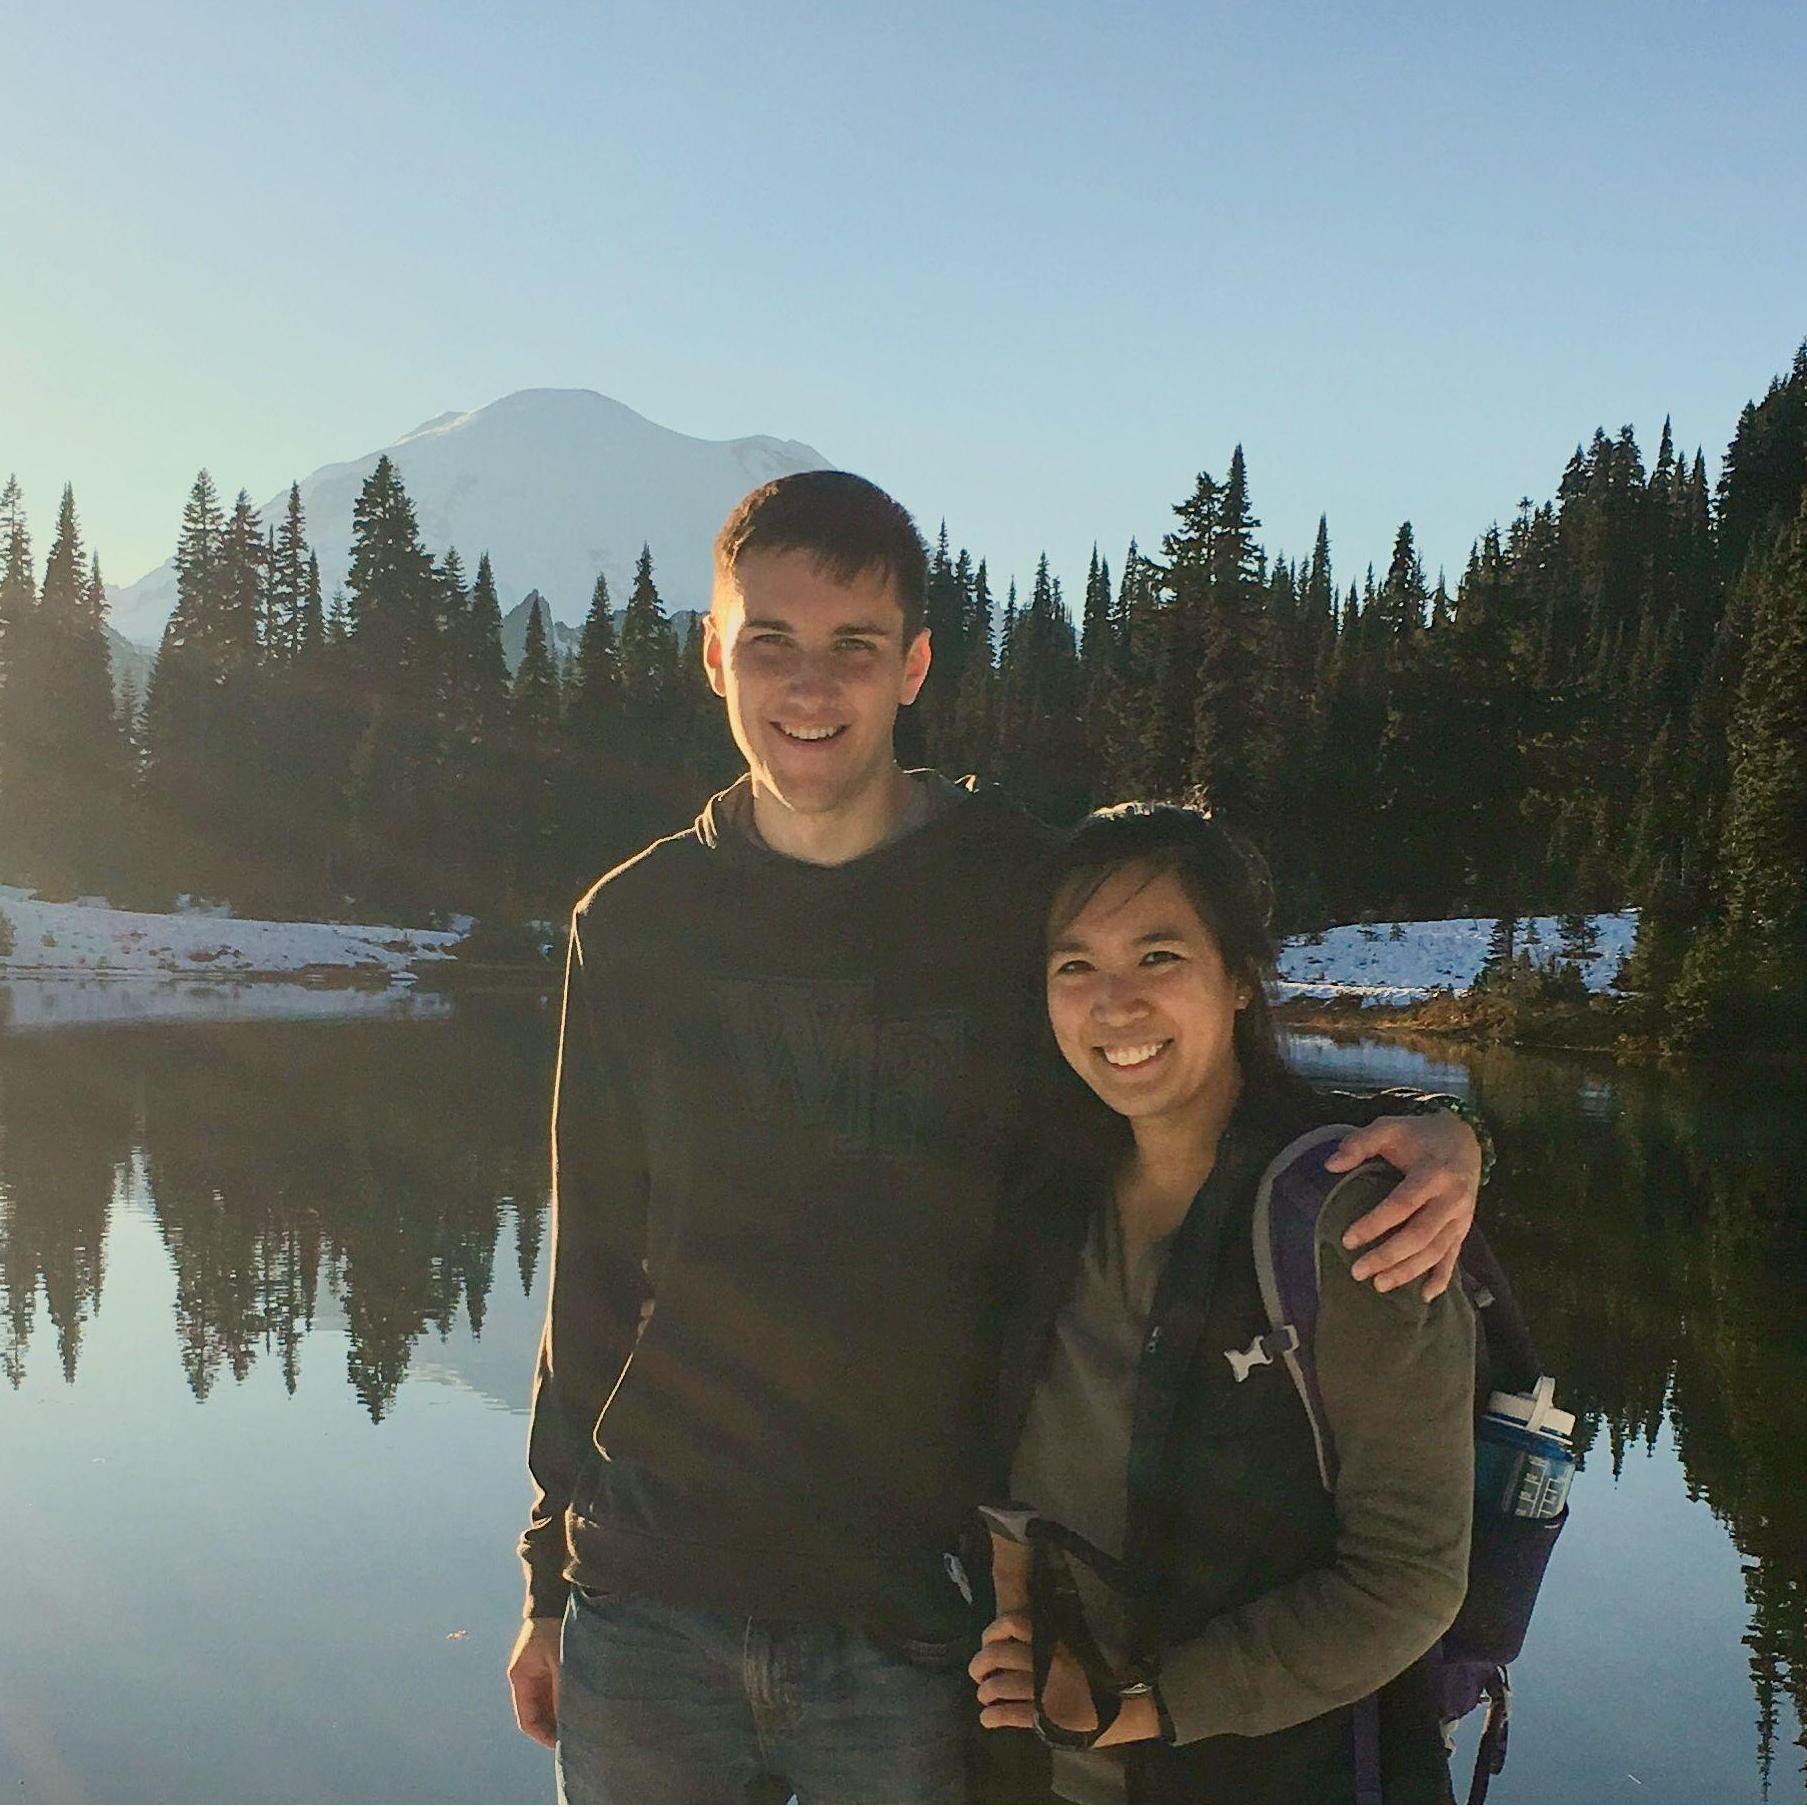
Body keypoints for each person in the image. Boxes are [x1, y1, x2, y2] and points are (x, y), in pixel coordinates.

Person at [506, 472, 1485, 1804]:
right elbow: (593, 1270)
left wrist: (1437, 1124)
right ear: (711, 653)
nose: (808, 686)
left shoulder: (1017, 884)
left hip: (912, 1616)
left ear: (910, 664)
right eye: (769, 643)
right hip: (647, 1599)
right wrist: (548, 1582)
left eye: (852, 646)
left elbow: (1174, 1051)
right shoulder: (630, 924)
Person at [970, 803, 1478, 1803]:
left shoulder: (1351, 1223)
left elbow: (1408, 1579)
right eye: (1075, 966)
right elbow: (1014, 1481)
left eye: (1157, 957)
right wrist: (1019, 1630)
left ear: (1239, 976)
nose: (1113, 1004)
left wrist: (1143, 1704)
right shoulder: (1046, 1202)